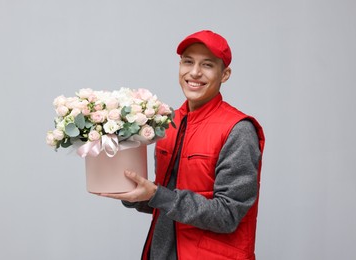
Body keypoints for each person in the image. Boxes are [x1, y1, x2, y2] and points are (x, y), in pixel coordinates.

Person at [99, 30, 265, 260]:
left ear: (224, 74)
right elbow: (166, 199)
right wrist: (132, 193)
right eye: (188, 61)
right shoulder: (169, 122)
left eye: (207, 65)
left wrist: (158, 194)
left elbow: (227, 215)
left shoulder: (238, 130)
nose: (194, 72)